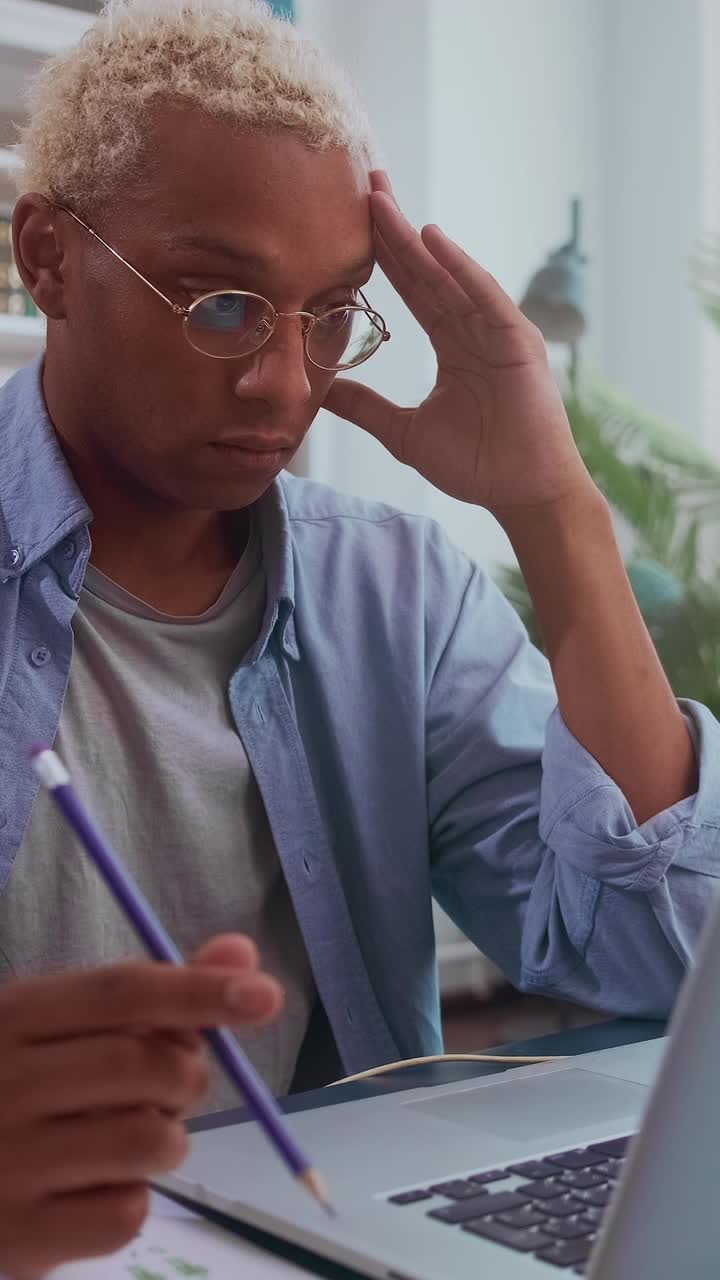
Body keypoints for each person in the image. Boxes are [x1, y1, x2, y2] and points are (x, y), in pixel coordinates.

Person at [0, 0, 718, 1272]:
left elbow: (662, 957)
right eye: (221, 302)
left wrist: (554, 506)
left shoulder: (390, 589)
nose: (286, 382)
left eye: (330, 313)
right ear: (50, 258)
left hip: (308, 1236)